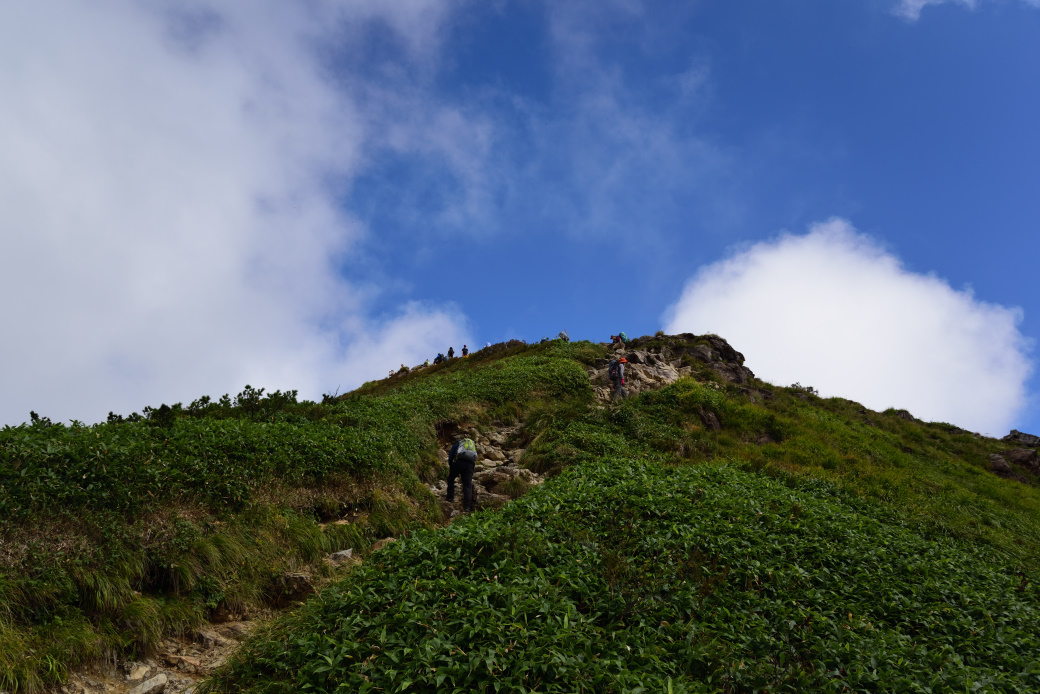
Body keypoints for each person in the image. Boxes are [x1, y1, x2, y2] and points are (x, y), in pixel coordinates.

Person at [447, 436, 478, 512]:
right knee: (467, 485)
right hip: (470, 465)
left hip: (459, 463)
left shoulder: (456, 445)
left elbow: (450, 458)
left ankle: (450, 498)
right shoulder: (470, 446)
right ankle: (467, 506)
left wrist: (452, 467)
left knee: (451, 479)